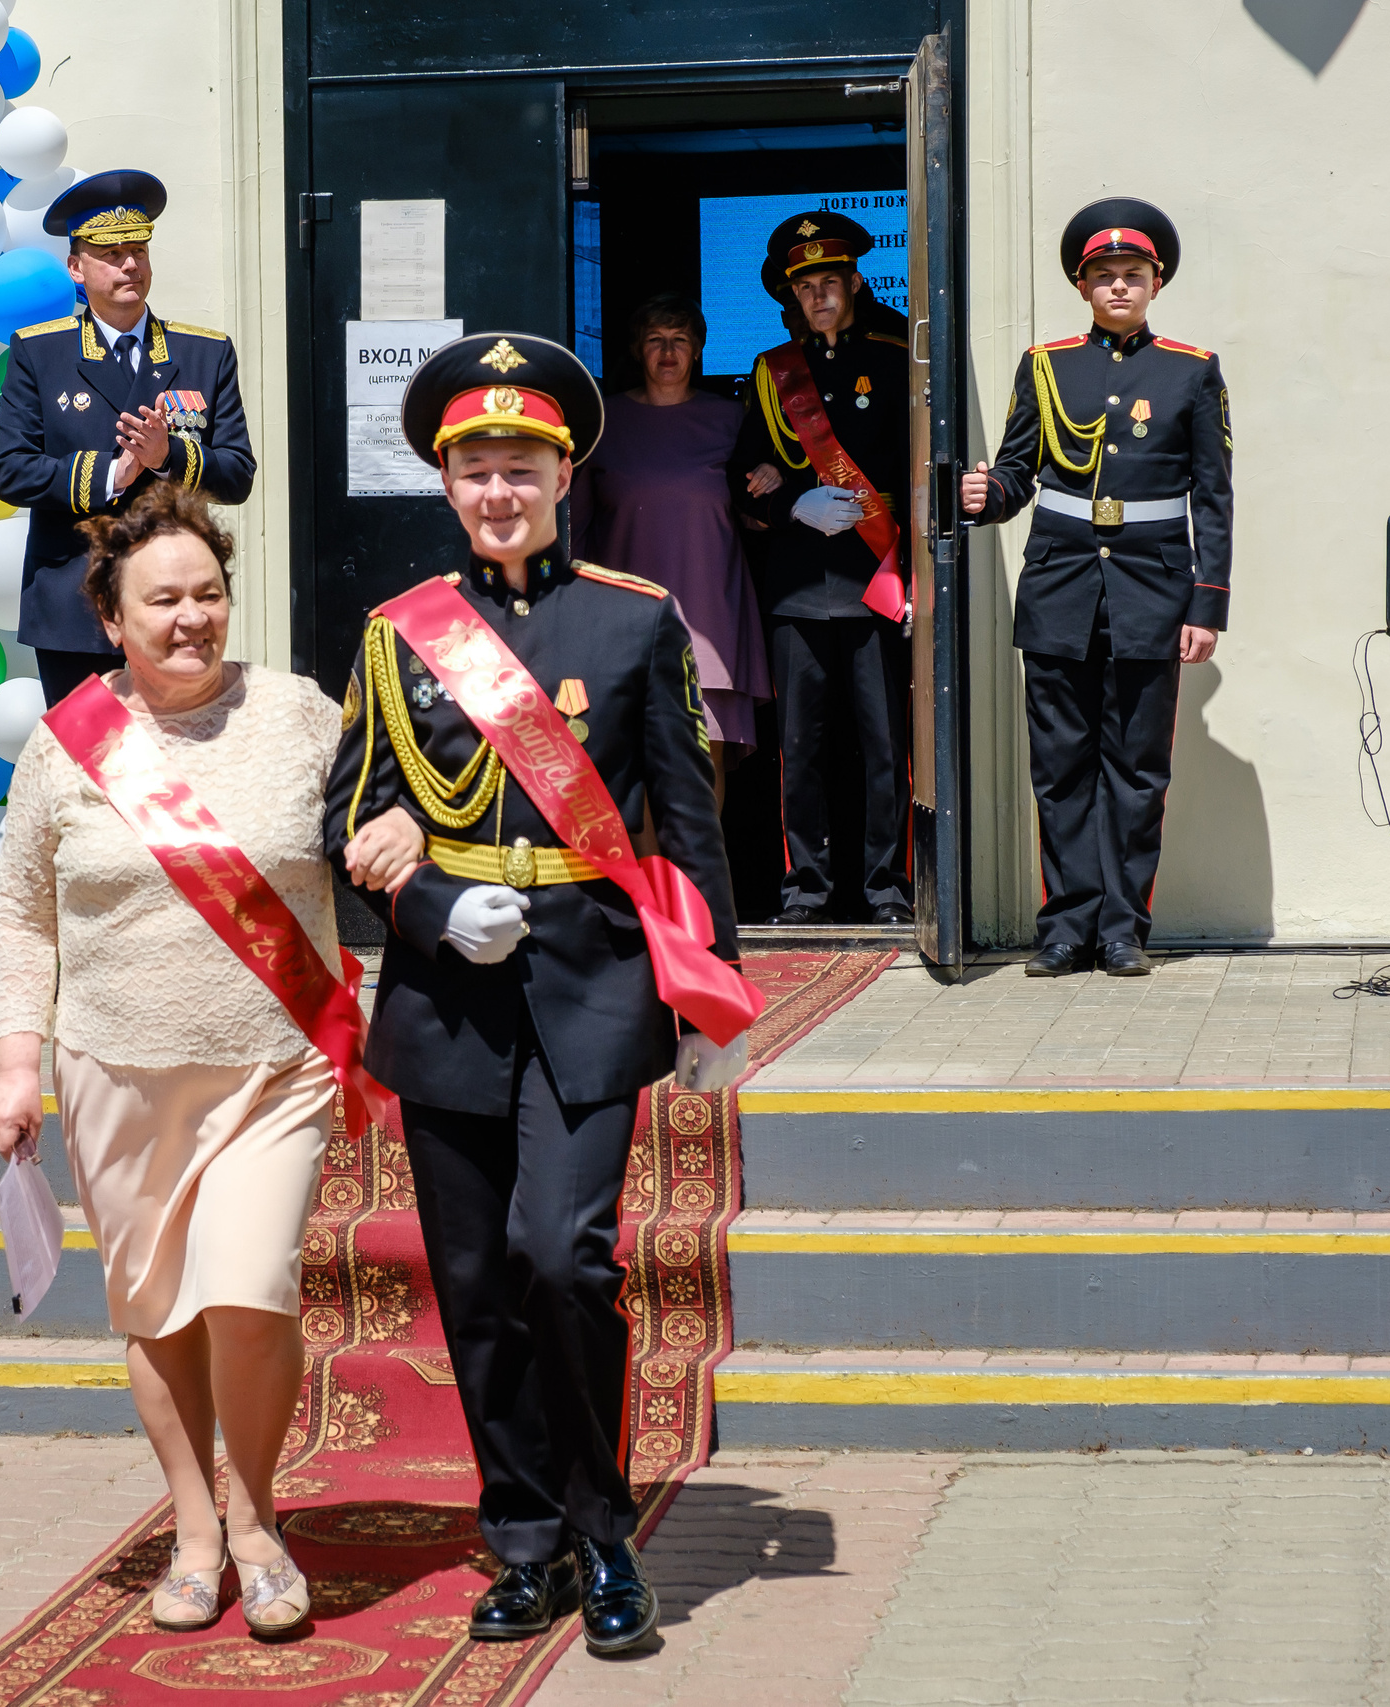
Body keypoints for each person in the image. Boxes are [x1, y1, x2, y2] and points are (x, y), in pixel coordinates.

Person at [328, 333, 757, 1657]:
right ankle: (522, 1539)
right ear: (447, 486)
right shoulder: (401, 635)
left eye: (521, 466)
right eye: (475, 471)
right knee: (471, 1275)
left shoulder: (633, 619)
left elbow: (691, 822)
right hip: (450, 992)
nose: (498, 490)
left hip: (591, 980)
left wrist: (711, 1001)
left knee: (562, 1253)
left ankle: (604, 1524)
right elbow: (352, 824)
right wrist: (434, 903)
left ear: (563, 473)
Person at [0, 482, 337, 1640]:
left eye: (210, 594)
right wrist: (16, 1060)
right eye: (164, 600)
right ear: (112, 617)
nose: (192, 617)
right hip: (116, 1072)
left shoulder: (299, 715)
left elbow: (388, 824)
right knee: (157, 1311)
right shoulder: (67, 742)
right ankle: (194, 1524)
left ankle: (257, 1513)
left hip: (272, 1068)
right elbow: (22, 912)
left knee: (248, 1290)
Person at [961, 199, 1231, 978]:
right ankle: (1066, 926)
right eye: (1104, 276)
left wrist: (1206, 603)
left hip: (1153, 591)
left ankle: (1123, 928)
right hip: (1060, 589)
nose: (1119, 286)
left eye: (1133, 275)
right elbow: (1019, 471)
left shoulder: (1191, 370)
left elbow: (1213, 497)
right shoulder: (1045, 367)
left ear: (1156, 283)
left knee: (1139, 770)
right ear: (1083, 286)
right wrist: (989, 497)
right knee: (1062, 767)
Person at [0, 169, 255, 702]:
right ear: (75, 267)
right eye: (110, 254)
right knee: (92, 768)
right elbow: (13, 470)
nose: (130, 264)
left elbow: (238, 474)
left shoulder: (203, 353)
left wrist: (168, 456)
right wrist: (111, 473)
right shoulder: (40, 353)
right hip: (75, 607)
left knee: (175, 761)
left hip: (175, 608)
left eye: (138, 249)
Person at [729, 210, 914, 927]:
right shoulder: (773, 373)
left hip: (878, 575)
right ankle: (804, 890)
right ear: (792, 295)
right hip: (801, 585)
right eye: (807, 286)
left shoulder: (895, 357)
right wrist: (790, 507)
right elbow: (743, 473)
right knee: (798, 750)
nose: (820, 295)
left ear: (856, 282)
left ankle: (886, 888)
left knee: (882, 745)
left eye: (831, 281)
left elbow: (913, 465)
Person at [571, 293, 770, 800]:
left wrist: (775, 479)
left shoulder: (731, 419)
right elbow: (572, 522)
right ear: (638, 350)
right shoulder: (603, 421)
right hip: (622, 615)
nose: (667, 352)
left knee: (704, 759)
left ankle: (698, 882)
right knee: (630, 762)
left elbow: (759, 506)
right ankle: (649, 881)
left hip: (712, 608)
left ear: (699, 351)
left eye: (680, 341)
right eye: (656, 341)